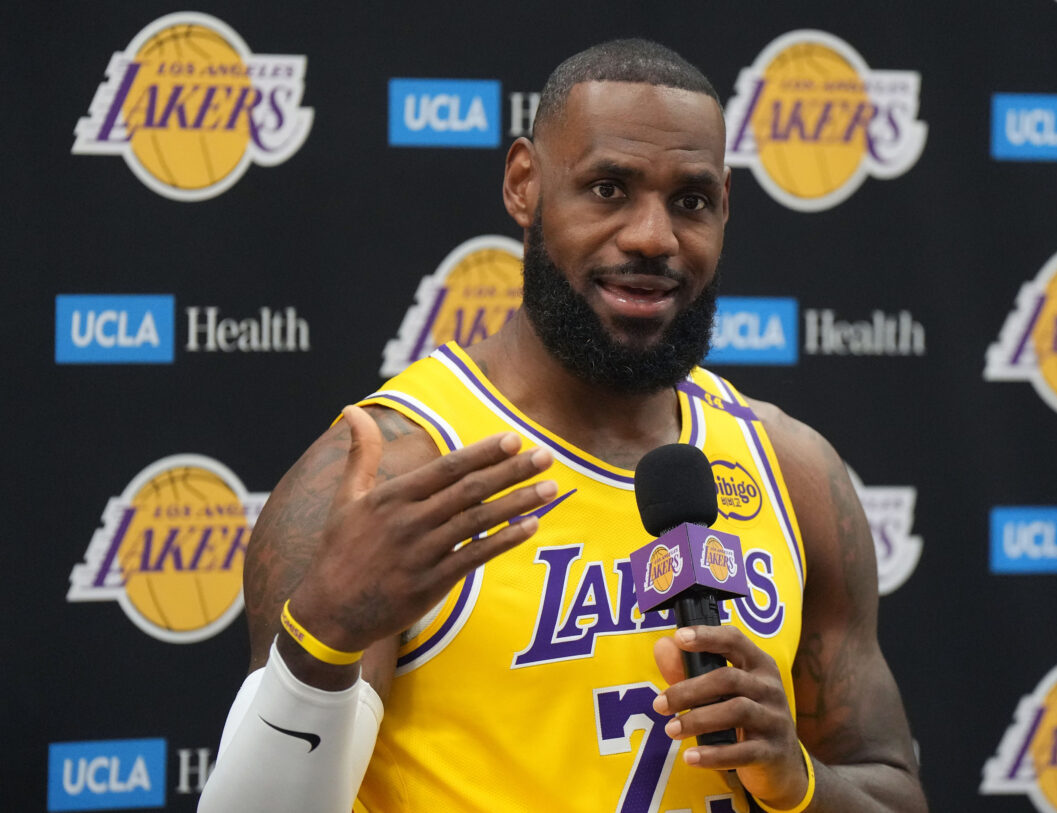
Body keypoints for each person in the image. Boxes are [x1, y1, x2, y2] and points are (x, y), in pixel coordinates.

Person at [199, 39, 927, 813]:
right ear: (524, 184)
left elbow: (890, 790)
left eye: (690, 200)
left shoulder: (792, 468)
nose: (654, 236)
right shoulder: (390, 477)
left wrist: (797, 778)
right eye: (609, 188)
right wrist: (323, 635)